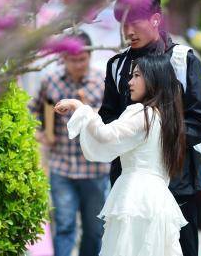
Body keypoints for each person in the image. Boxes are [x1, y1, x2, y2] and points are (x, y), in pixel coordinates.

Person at [99, 0, 201, 256]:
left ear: (156, 19)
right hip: (129, 189)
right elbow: (108, 117)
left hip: (177, 183)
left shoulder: (183, 60)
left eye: (134, 22)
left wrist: (156, 137)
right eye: (123, 24)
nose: (128, 31)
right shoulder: (117, 66)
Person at [54, 55, 188, 256]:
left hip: (135, 197)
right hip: (157, 199)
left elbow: (105, 136)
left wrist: (79, 107)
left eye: (136, 76)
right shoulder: (166, 118)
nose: (130, 82)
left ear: (154, 79)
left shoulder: (142, 114)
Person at [29, 31, 109, 256]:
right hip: (61, 167)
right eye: (73, 60)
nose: (78, 64)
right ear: (63, 57)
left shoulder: (102, 83)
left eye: (83, 59)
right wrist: (40, 134)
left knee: (94, 231)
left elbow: (111, 121)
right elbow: (32, 111)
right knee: (64, 227)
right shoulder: (50, 81)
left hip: (95, 169)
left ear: (90, 56)